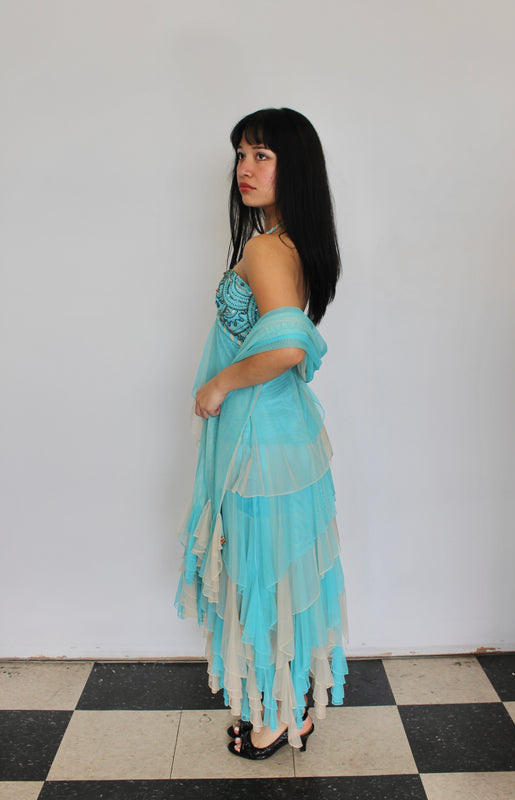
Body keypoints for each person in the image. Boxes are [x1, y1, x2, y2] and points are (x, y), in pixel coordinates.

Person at [175, 107, 348, 760]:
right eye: (241, 155)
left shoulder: (266, 249)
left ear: (292, 166)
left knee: (263, 575)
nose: (244, 169)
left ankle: (277, 716)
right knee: (275, 572)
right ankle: (287, 705)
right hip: (279, 432)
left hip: (260, 436)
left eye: (261, 156)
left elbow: (286, 347)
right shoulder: (290, 241)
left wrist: (219, 384)